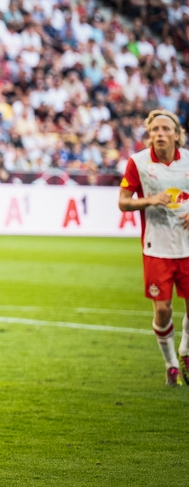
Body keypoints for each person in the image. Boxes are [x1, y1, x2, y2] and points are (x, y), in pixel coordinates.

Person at [119, 109, 189, 387]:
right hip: (156, 248)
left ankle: (185, 351)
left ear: (175, 134)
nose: (159, 134)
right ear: (149, 135)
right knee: (163, 310)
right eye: (154, 130)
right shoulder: (137, 163)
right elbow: (123, 202)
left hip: (187, 246)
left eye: (165, 129)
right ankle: (171, 363)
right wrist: (148, 201)